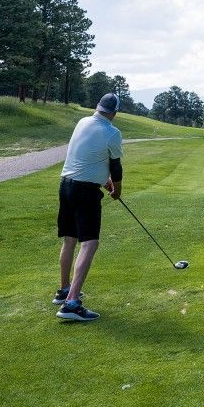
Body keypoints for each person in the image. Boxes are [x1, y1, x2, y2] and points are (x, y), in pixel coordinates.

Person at [54, 92, 123, 322]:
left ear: (98, 107)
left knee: (70, 239)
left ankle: (64, 289)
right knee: (90, 243)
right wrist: (117, 189)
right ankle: (71, 303)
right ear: (114, 112)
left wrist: (103, 180)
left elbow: (87, 156)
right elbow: (116, 167)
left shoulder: (83, 121)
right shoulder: (112, 132)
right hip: (85, 192)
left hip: (66, 185)